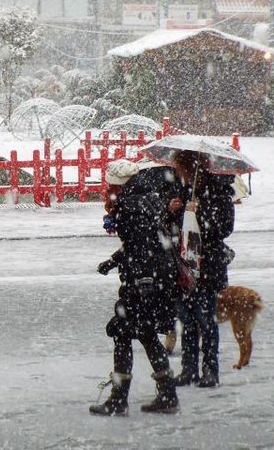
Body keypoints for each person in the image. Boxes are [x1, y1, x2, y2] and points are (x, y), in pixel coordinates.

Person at [90, 159, 180, 416]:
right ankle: (167, 393)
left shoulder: (130, 205)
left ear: (119, 183)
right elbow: (147, 242)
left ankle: (119, 400)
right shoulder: (150, 198)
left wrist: (141, 279)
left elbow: (139, 247)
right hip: (157, 277)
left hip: (142, 281)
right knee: (147, 333)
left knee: (123, 333)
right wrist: (114, 261)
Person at [171, 150, 235, 389]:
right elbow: (177, 228)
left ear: (190, 166)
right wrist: (174, 210)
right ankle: (189, 370)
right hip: (186, 265)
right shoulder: (185, 189)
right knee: (186, 320)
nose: (176, 171)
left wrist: (201, 214)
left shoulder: (219, 192)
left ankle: (210, 370)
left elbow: (225, 228)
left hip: (208, 265)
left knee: (206, 321)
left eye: (179, 167)